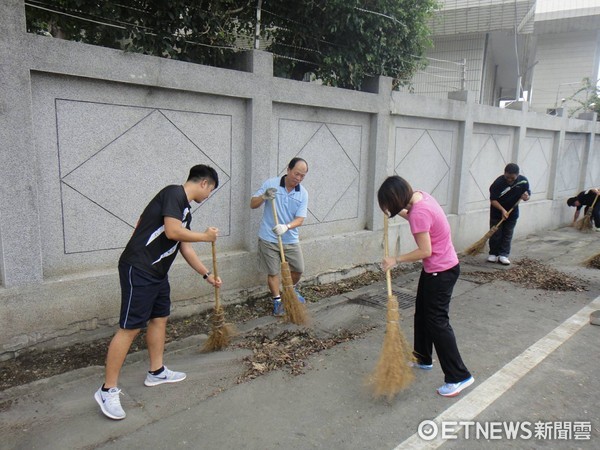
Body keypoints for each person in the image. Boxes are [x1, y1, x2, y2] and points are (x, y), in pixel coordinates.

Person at [94, 165, 222, 420]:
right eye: (211, 191)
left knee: (160, 318)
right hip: (139, 268)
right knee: (130, 328)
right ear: (205, 183)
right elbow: (173, 231)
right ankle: (107, 390)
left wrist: (206, 274)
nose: (208, 196)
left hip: (157, 273)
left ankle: (156, 371)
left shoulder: (184, 210)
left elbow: (183, 246)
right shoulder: (174, 194)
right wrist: (206, 237)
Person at [379, 175, 474, 398]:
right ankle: (422, 357)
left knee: (437, 322)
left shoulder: (419, 213)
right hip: (439, 268)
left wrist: (396, 259)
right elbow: (413, 216)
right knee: (422, 312)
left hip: (441, 271)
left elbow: (425, 251)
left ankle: (459, 376)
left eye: (387, 204)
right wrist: (396, 213)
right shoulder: (420, 197)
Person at [250, 158, 309, 316]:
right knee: (273, 271)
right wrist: (264, 197)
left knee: (298, 268)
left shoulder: (302, 193)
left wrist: (286, 227)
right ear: (288, 169)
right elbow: (252, 204)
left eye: (302, 176)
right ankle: (277, 301)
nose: (298, 178)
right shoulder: (271, 184)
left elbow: (300, 219)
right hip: (269, 237)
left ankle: (290, 290)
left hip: (289, 238)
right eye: (296, 174)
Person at [487, 163, 530, 265]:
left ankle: (503, 255)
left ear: (517, 175)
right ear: (504, 173)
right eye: (507, 177)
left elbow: (527, 195)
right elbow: (493, 200)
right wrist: (502, 210)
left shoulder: (523, 181)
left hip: (512, 212)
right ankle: (493, 253)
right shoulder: (498, 183)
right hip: (497, 212)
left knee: (507, 234)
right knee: (495, 233)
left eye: (512, 178)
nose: (509, 180)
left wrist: (526, 196)